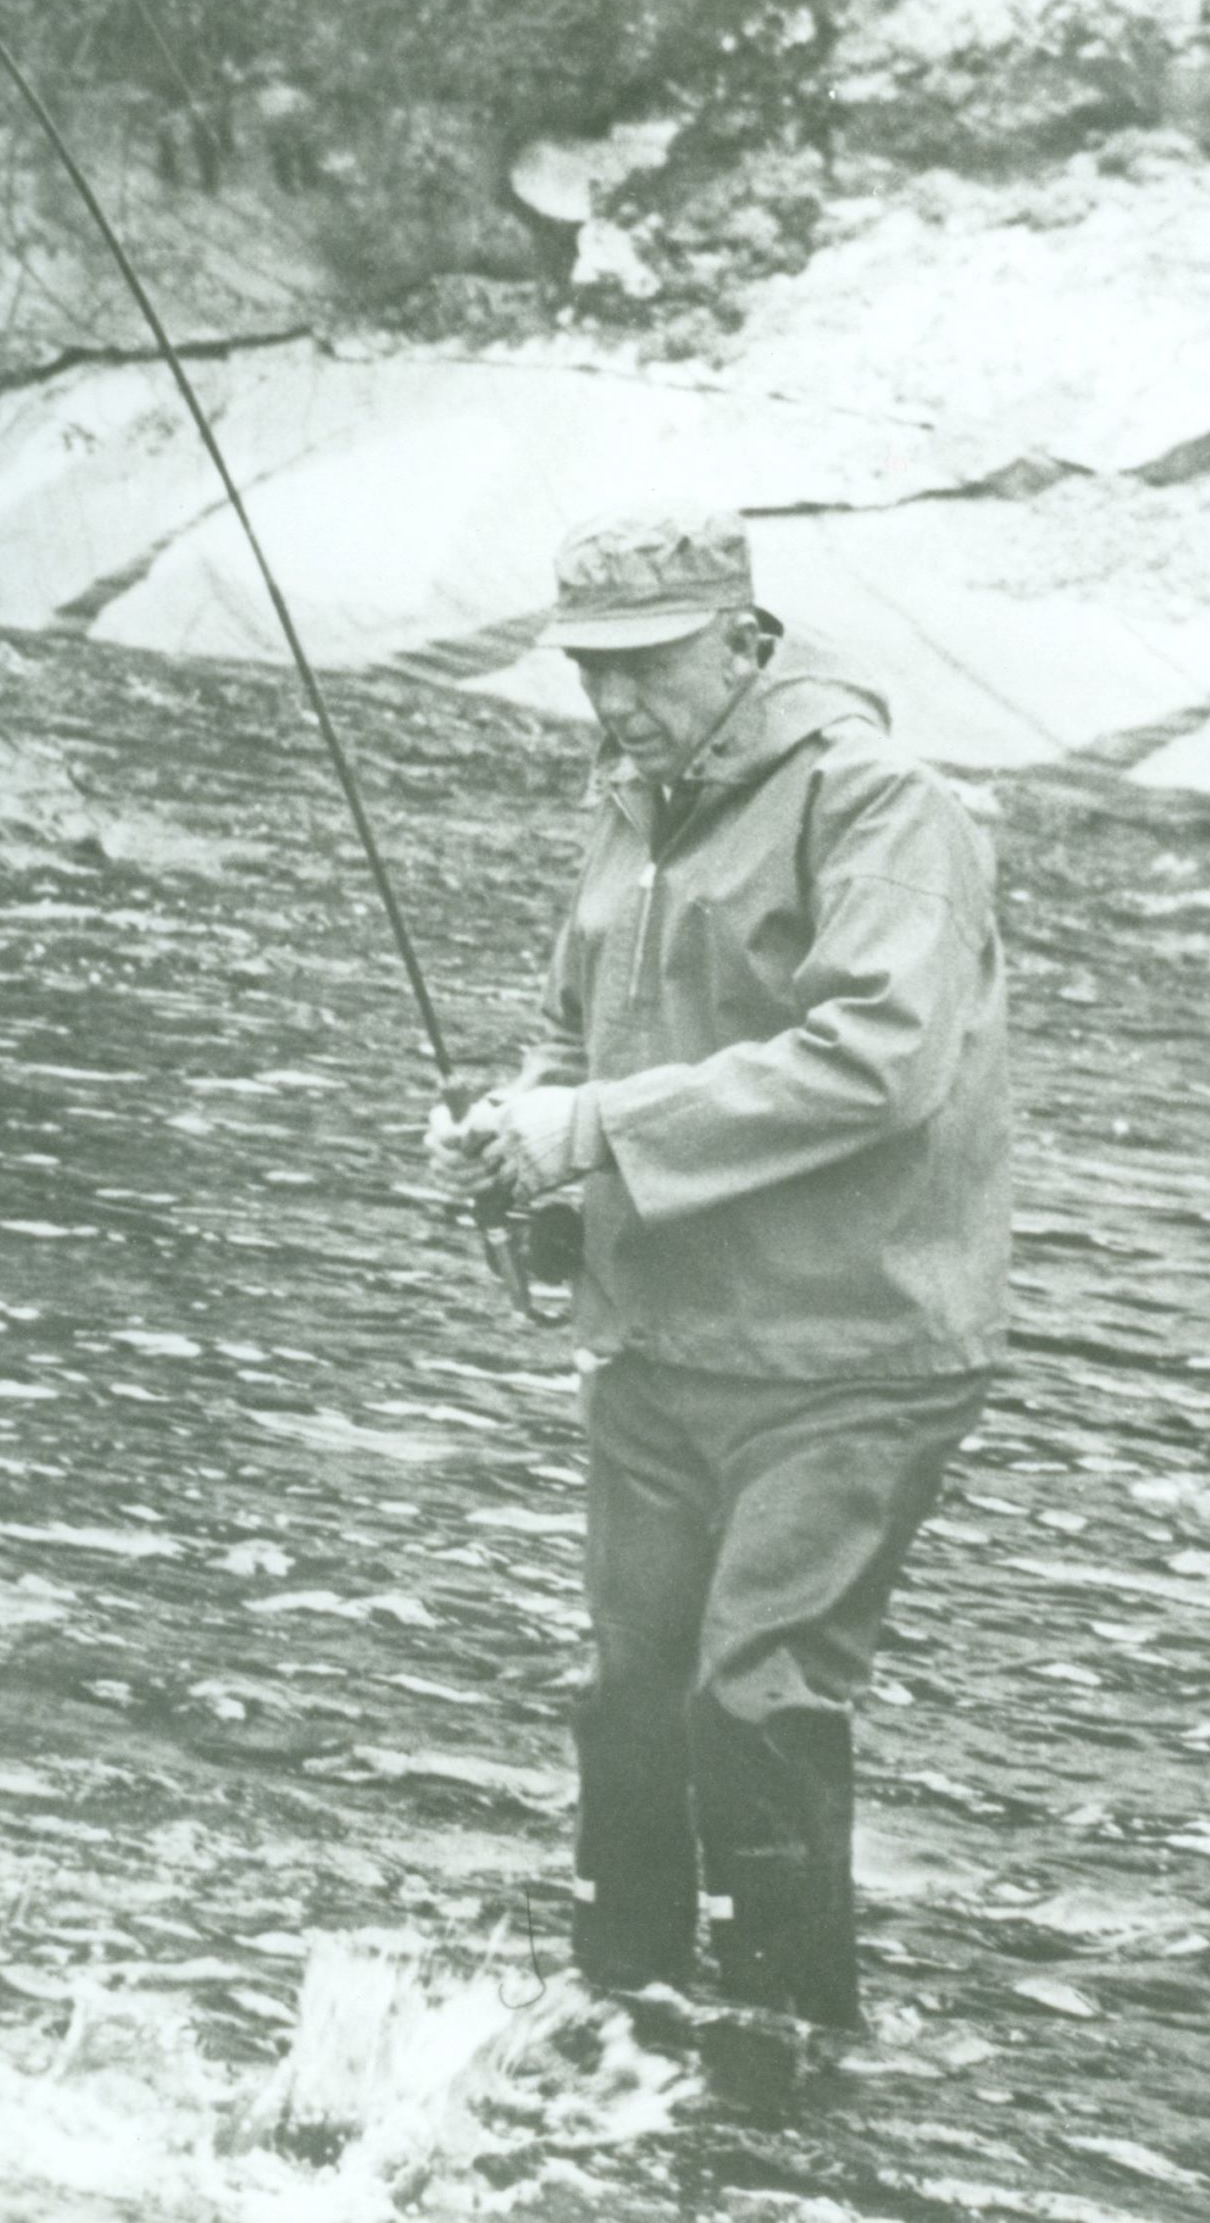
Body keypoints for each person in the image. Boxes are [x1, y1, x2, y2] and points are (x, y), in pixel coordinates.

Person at [427, 502, 1010, 2029]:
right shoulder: (630, 799)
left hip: (854, 1354)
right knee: (628, 1711)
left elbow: (875, 1060)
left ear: (744, 641)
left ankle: (781, 2068)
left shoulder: (881, 806)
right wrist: (512, 1140)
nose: (613, 704)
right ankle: (617, 2033)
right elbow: (576, 1033)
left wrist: (592, 1127)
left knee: (752, 1703)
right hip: (665, 1345)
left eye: (646, 665)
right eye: (588, 672)